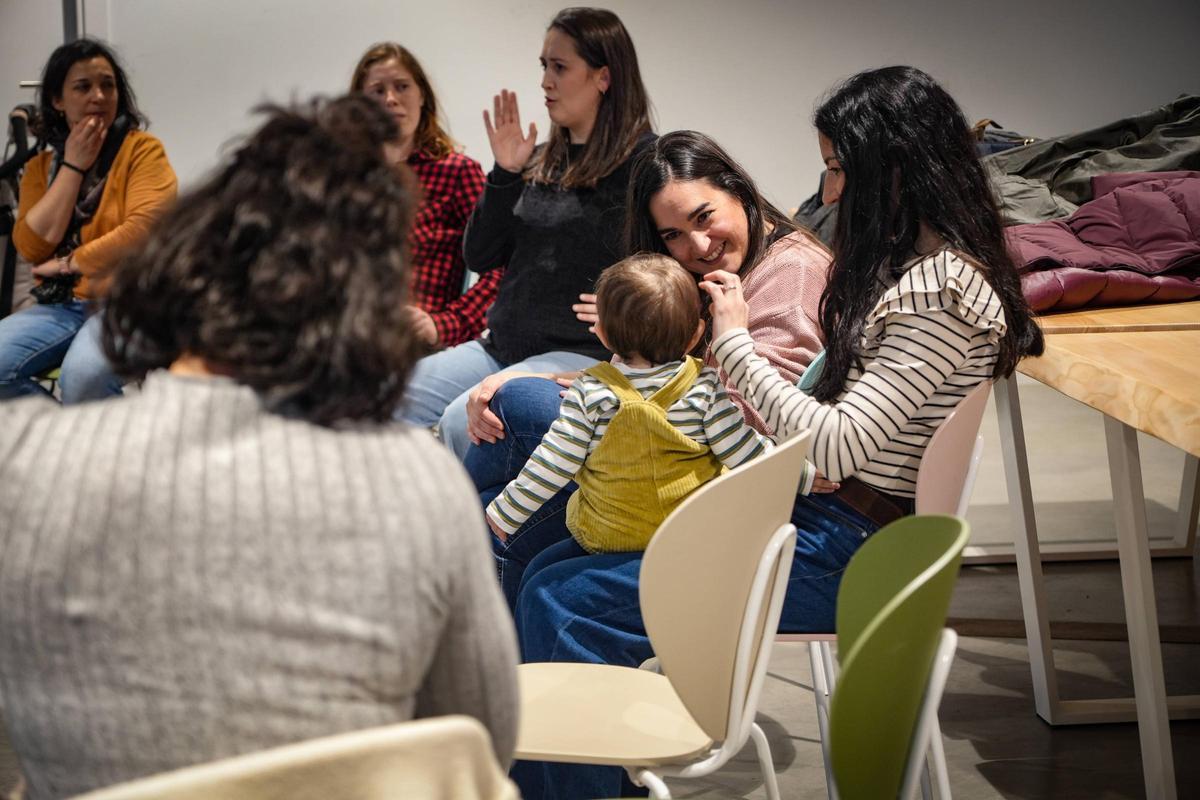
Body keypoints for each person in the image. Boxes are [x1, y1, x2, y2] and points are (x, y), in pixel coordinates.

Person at [510, 66, 1045, 800]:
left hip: (843, 546)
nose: (826, 195)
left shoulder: (941, 290)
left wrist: (729, 343)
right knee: (546, 572)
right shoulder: (919, 271)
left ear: (893, 171)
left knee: (560, 596)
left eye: (836, 171)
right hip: (824, 521)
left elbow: (832, 447)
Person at [0, 96, 519, 800]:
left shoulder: (20, 461)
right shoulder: (421, 483)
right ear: (364, 317)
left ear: (179, 261)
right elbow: (479, 738)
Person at [465, 130, 831, 608]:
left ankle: (447, 562)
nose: (698, 246)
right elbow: (664, 377)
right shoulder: (715, 276)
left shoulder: (792, 271)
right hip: (669, 459)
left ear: (738, 190)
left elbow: (750, 424)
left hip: (698, 478)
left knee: (513, 413)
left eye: (705, 217)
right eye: (673, 235)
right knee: (505, 458)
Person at [399, 7, 656, 458]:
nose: (545, 81)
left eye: (559, 67)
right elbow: (480, 256)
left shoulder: (644, 164)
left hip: (580, 354)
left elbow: (666, 265)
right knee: (386, 396)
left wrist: (630, 304)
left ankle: (461, 526)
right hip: (500, 346)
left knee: (463, 420)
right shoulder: (537, 160)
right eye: (544, 66)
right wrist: (505, 173)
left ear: (603, 77)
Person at [485, 253, 771, 605]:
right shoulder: (704, 387)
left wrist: (505, 512)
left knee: (535, 578)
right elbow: (745, 450)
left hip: (609, 538)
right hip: (686, 537)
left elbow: (552, 463)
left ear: (602, 333)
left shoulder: (592, 392)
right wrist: (803, 474)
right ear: (697, 332)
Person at [0, 38, 176, 403]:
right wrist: (74, 165)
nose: (98, 96)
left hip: (128, 301)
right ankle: (67, 446)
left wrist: (69, 263)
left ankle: (99, 450)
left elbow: (144, 230)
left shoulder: (142, 151)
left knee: (83, 377)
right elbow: (32, 247)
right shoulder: (39, 169)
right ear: (57, 100)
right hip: (64, 306)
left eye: (107, 85)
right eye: (83, 87)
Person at [350, 42, 500, 349]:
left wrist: (444, 324)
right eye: (377, 91)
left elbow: (502, 270)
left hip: (414, 346)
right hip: (345, 337)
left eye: (402, 86)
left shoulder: (457, 172)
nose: (390, 99)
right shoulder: (346, 178)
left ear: (422, 96)